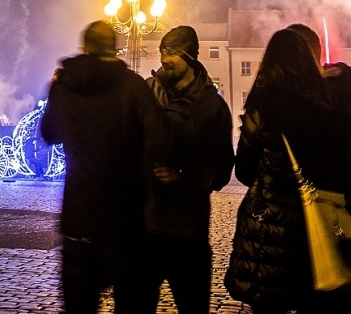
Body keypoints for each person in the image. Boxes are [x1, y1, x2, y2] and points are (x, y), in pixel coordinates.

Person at [224, 26, 351, 314]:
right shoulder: (337, 103)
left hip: (270, 240)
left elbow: (245, 171)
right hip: (326, 231)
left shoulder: (265, 103)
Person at [41, 20, 164, 314]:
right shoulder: (133, 86)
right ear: (115, 48)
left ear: (85, 48)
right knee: (131, 305)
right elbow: (160, 137)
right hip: (124, 222)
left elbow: (49, 134)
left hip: (78, 221)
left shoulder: (65, 85)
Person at [136, 26, 234, 314]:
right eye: (162, 51)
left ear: (190, 57)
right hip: (144, 227)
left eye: (171, 53)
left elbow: (223, 170)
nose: (164, 59)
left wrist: (183, 178)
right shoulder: (146, 93)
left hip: (187, 232)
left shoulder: (212, 107)